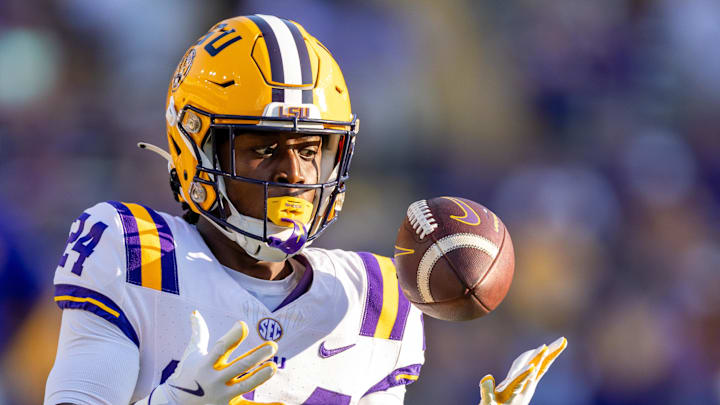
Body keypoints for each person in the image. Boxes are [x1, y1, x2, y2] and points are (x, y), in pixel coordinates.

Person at [44, 14, 566, 405]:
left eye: (310, 149)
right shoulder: (135, 252)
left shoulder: (370, 300)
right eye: (264, 147)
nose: (293, 173)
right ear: (195, 150)